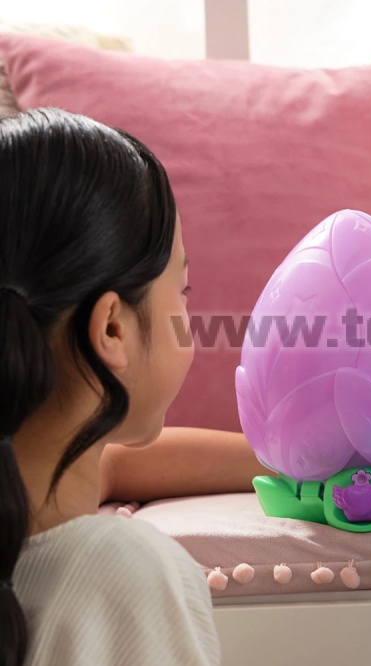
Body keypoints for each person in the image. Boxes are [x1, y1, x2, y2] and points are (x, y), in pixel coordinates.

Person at [0, 108, 220, 665]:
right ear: (113, 329)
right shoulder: (120, 575)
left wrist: (302, 464)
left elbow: (116, 465)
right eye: (183, 291)